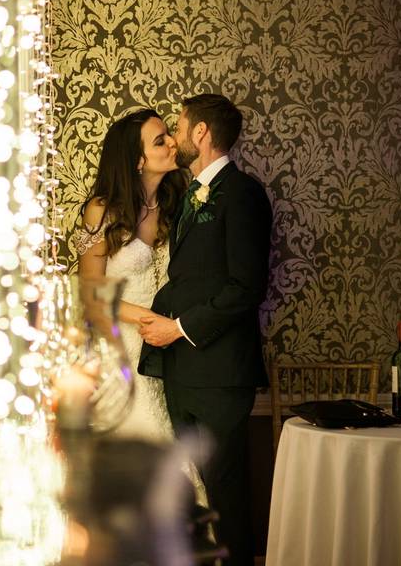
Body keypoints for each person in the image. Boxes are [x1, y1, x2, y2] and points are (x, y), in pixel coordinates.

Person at [138, 93, 272, 566]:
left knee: (227, 494)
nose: (174, 136)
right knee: (199, 493)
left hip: (220, 375)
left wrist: (177, 329)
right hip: (183, 373)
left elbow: (245, 287)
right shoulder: (191, 196)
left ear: (201, 133)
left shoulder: (243, 193)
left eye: (179, 125)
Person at [69, 108, 208, 505]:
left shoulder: (176, 202)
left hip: (169, 347)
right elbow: (90, 291)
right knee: (142, 445)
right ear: (138, 159)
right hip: (122, 348)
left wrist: (173, 328)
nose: (170, 144)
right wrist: (151, 321)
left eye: (168, 134)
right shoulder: (102, 210)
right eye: (159, 140)